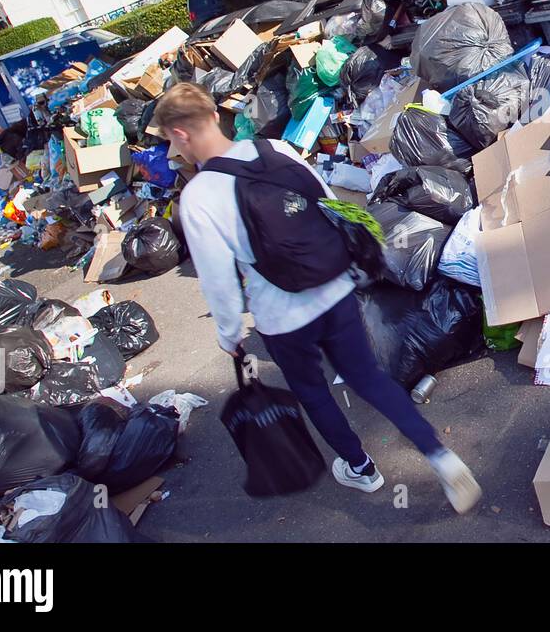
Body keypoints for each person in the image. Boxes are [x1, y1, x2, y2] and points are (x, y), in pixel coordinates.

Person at [152, 81, 481, 513]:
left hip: (282, 316)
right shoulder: (274, 149)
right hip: (335, 287)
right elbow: (328, 204)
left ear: (180, 134)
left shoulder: (198, 196)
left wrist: (229, 334)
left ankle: (362, 469)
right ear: (215, 115)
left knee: (314, 392)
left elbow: (218, 280)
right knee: (369, 378)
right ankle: (441, 456)